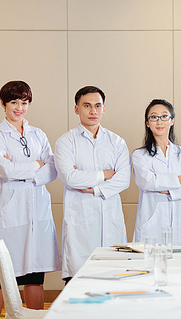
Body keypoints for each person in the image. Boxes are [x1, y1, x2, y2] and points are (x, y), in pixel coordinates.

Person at [0, 81, 61, 319]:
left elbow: (52, 170)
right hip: (11, 209)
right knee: (0, 274)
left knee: (35, 273)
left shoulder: (37, 134)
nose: (19, 108)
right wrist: (35, 166)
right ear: (3, 104)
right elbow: (6, 170)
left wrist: (25, 171)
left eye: (24, 103)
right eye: (14, 102)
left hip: (36, 208)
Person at [54, 86, 131, 282]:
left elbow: (123, 179)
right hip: (80, 222)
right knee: (79, 283)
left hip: (110, 221)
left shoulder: (117, 142)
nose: (93, 111)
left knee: (113, 281)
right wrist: (104, 174)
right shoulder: (66, 142)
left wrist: (95, 188)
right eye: (87, 105)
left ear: (104, 108)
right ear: (76, 108)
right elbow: (70, 177)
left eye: (97, 106)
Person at [132, 99, 181, 245]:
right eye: (154, 117)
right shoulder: (139, 155)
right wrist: (180, 180)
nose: (159, 121)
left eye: (164, 116)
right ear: (147, 123)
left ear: (172, 121)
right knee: (151, 265)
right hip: (152, 224)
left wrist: (167, 190)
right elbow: (148, 182)